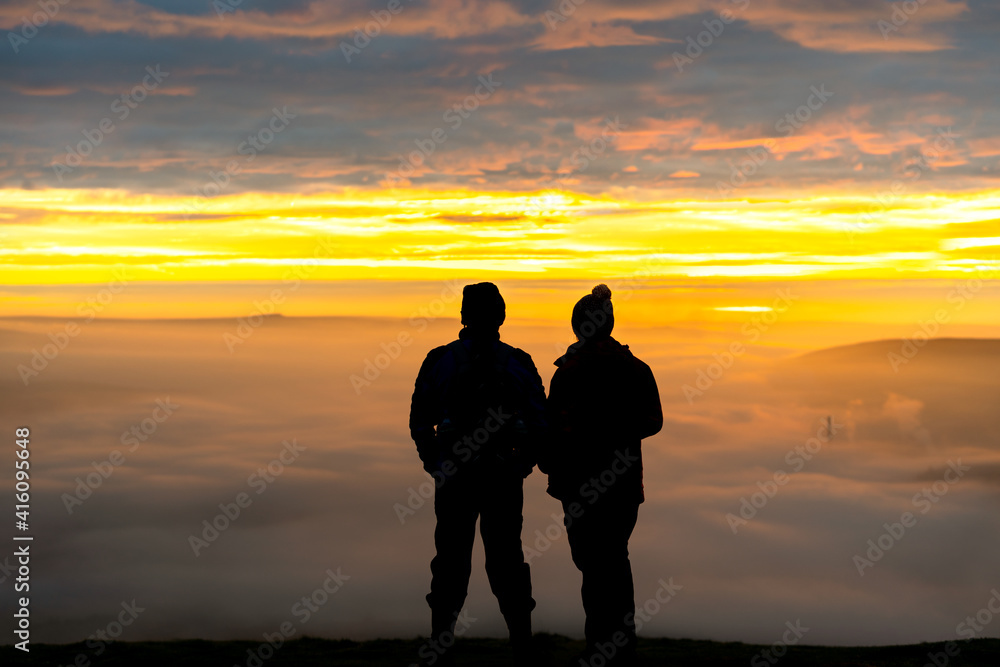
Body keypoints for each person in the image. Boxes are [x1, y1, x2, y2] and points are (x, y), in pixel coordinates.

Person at [409, 282, 546, 665]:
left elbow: (420, 421)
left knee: (451, 562)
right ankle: (523, 647)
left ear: (463, 317)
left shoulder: (439, 360)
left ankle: (440, 646)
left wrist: (437, 466)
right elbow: (540, 421)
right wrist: (522, 464)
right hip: (502, 478)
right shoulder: (519, 362)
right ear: (501, 316)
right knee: (506, 563)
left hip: (457, 479)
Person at [539, 284, 662, 666]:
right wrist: (618, 432)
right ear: (609, 324)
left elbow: (551, 428)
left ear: (578, 327)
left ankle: (600, 646)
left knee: (592, 565)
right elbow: (653, 421)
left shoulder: (569, 373)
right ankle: (620, 644)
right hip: (624, 485)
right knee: (614, 559)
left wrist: (552, 459)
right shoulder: (636, 369)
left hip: (578, 484)